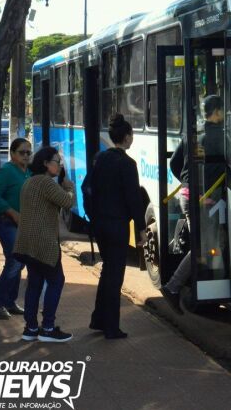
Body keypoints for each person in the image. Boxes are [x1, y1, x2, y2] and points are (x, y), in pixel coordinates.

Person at [162, 95, 225, 315]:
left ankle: (200, 293)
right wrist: (201, 190)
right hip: (204, 198)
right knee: (202, 247)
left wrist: (187, 183)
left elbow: (174, 162)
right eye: (222, 110)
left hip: (188, 195)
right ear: (216, 112)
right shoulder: (219, 135)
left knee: (205, 245)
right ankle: (174, 287)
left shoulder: (193, 134)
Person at [89, 114, 147, 339]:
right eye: (131, 135)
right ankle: (111, 327)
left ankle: (99, 319)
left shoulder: (100, 159)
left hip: (101, 223)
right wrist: (141, 229)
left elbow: (92, 190)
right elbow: (133, 199)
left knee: (107, 272)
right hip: (117, 225)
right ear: (126, 137)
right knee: (115, 276)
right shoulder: (127, 164)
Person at [13, 146, 75, 343]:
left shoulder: (29, 182)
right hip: (44, 243)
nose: (59, 165)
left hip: (27, 243)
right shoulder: (47, 183)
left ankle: (31, 328)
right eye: (56, 161)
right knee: (56, 280)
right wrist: (69, 188)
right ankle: (47, 327)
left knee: (34, 284)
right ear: (46, 164)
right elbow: (67, 202)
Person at [0, 138, 32, 319]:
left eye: (29, 153)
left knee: (19, 261)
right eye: (22, 152)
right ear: (12, 153)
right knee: (14, 260)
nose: (26, 156)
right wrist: (11, 212)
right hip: (7, 221)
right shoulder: (7, 171)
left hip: (23, 223)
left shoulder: (28, 172)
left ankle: (10, 301)